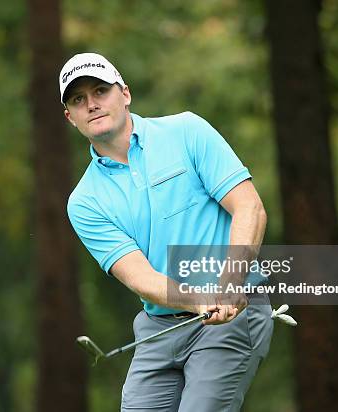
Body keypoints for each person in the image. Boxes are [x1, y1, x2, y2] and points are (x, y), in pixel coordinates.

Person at [60, 52, 273, 412]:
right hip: (159, 329)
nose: (92, 105)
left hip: (233, 316)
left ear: (124, 94)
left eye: (100, 91)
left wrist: (230, 282)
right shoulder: (84, 202)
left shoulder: (187, 131)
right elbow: (141, 278)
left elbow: (249, 207)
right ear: (70, 117)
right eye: (78, 100)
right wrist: (199, 299)